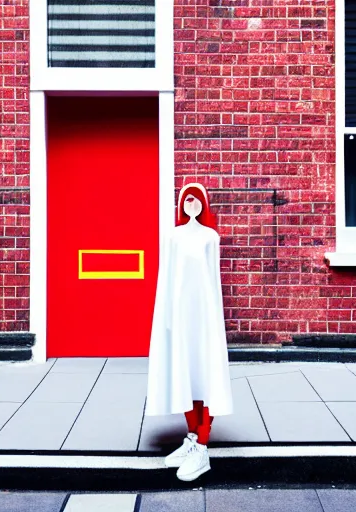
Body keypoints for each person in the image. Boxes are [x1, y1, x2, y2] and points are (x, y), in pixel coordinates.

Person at [145, 182, 233, 482]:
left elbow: (214, 281)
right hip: (180, 317)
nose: (192, 204)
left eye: (197, 200)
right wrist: (167, 316)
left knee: (206, 375)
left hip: (204, 318)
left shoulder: (211, 237)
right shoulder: (173, 236)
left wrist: (213, 318)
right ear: (181, 203)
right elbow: (166, 277)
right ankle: (192, 437)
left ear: (204, 204)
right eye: (187, 199)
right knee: (185, 374)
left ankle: (203, 444)